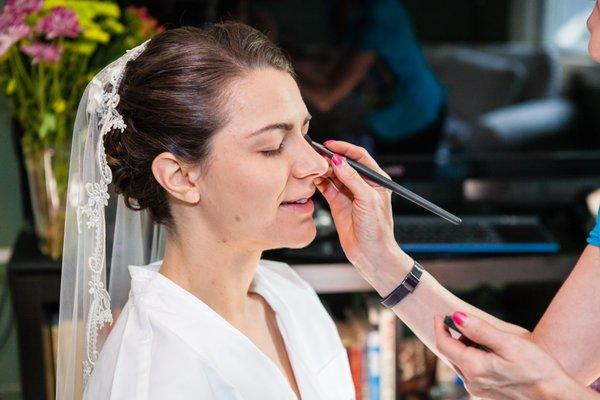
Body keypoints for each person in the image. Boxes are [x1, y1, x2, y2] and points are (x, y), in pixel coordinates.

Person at [300, 0, 447, 155]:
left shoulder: (380, 16)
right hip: (387, 119)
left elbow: (327, 99)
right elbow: (332, 69)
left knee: (410, 175)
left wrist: (284, 73)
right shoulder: (354, 11)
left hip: (416, 115)